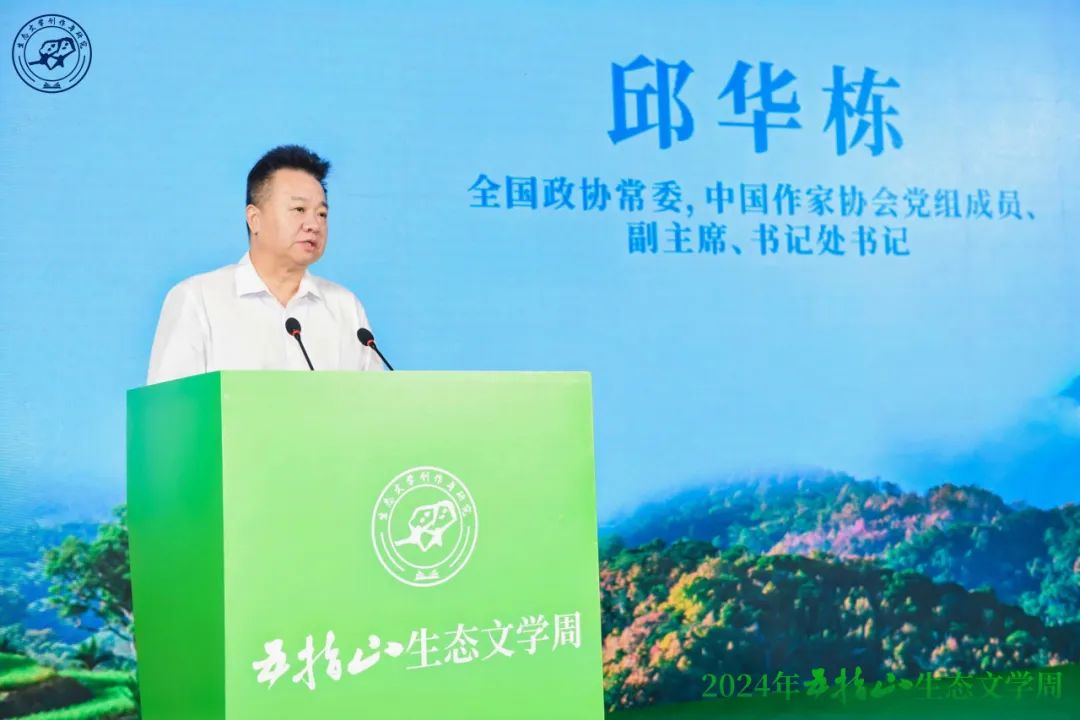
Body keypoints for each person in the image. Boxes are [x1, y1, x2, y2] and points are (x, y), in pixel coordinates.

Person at [146, 145, 382, 384]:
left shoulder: (346, 308)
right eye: (299, 209)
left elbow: (376, 401)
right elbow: (166, 404)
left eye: (322, 214)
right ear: (254, 219)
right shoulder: (198, 300)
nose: (314, 224)